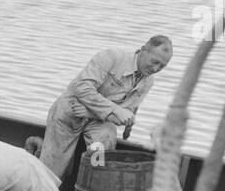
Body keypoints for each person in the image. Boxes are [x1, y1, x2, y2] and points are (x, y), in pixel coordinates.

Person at [38, 35, 173, 181]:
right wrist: (115, 110)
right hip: (71, 112)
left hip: (98, 120)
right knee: (52, 172)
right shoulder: (111, 57)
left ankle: (93, 182)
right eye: (154, 62)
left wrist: (92, 113)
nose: (155, 69)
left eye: (162, 66)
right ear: (143, 50)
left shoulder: (148, 82)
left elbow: (126, 111)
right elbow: (81, 87)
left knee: (105, 141)